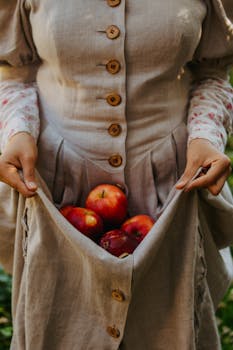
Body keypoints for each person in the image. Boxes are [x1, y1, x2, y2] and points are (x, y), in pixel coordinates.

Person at [0, 0, 233, 349]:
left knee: (167, 330)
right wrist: (17, 132)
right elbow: (14, 73)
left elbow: (213, 72)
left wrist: (205, 136)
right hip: (58, 193)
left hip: (170, 188)